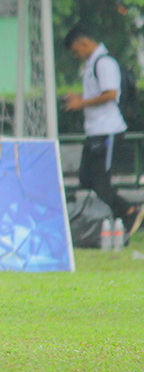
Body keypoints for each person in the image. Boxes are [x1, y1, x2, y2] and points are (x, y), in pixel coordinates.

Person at [63, 27, 144, 240]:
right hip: (95, 131)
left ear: (83, 43)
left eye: (74, 51)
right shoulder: (91, 65)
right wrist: (80, 97)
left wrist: (82, 103)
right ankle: (125, 213)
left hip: (108, 130)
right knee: (85, 178)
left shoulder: (105, 63)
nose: (75, 56)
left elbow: (110, 94)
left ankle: (129, 212)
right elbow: (98, 92)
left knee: (100, 182)